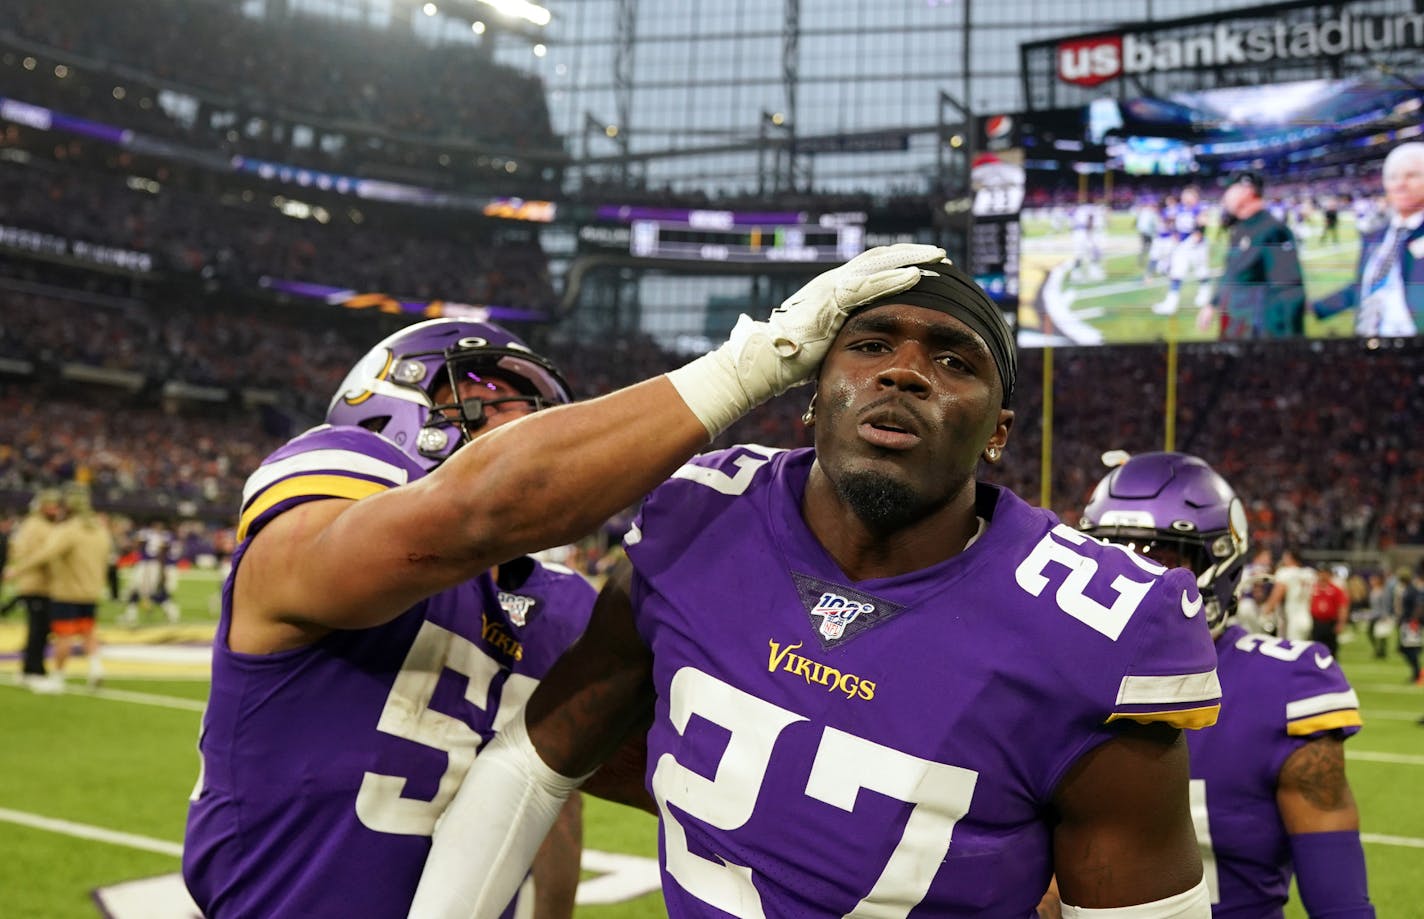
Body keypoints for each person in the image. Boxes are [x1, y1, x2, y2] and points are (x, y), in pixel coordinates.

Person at [414, 259, 1222, 918]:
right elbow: (533, 763)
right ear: (810, 394)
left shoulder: (1096, 626)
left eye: (953, 360)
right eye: (871, 344)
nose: (904, 372)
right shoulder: (700, 517)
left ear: (999, 429)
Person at [179, 243, 947, 918]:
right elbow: (480, 508)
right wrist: (752, 364)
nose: (529, 415)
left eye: (540, 407)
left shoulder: (557, 604)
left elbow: (618, 774)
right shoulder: (339, 476)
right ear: (388, 400)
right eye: (490, 393)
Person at [1075, 451, 1374, 918]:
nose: (1131, 580)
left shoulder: (1286, 688)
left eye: (1159, 556)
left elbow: (1340, 904)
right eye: (1112, 555)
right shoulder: (1048, 678)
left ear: (1222, 562)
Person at [6, 488, 114, 690]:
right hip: (91, 592)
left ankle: (57, 677)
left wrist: (17, 571)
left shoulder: (68, 530)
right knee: (88, 632)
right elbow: (107, 560)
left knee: (63, 635)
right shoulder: (100, 530)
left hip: (67, 591)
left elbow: (45, 554)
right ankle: (96, 668)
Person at [1314, 142, 1424, 336]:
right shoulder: (1378, 236)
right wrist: (1316, 307)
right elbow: (1365, 286)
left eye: (1412, 175)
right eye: (1392, 177)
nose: (1400, 184)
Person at [1197, 170, 1305, 339]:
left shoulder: (1272, 230)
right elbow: (1231, 273)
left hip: (1257, 332)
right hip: (1234, 327)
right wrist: (1212, 304)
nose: (1224, 196)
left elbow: (1288, 292)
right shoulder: (1241, 228)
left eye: (1229, 189)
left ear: (1247, 190)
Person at [3, 489, 62, 691]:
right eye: (52, 505)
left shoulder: (36, 525)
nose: (56, 509)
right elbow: (40, 556)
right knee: (39, 629)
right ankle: (33, 670)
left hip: (39, 584)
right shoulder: (37, 527)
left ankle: (30, 668)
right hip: (37, 584)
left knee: (40, 629)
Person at [1153, 184, 1214, 317]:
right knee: (1176, 273)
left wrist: (1195, 236)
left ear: (1194, 197)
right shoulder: (1179, 209)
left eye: (1188, 195)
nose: (1185, 197)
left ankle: (1205, 293)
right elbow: (1172, 222)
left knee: (1201, 270)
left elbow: (1203, 225)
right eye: (1184, 195)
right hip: (1182, 245)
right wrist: (1174, 234)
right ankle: (1171, 304)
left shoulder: (1200, 208)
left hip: (1197, 245)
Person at [1261, 548, 1316, 642]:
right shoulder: (1309, 573)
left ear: (1290, 558)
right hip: (1307, 617)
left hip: (1292, 619)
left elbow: (1277, 594)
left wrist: (1266, 610)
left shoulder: (1285, 573)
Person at [1307, 566, 1351, 658]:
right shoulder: (1312, 589)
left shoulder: (1336, 590)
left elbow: (1342, 607)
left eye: (1325, 573)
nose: (1322, 576)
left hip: (1330, 623)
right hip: (1316, 622)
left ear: (1330, 575)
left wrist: (1341, 623)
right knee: (1316, 648)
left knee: (1331, 649)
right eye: (1321, 573)